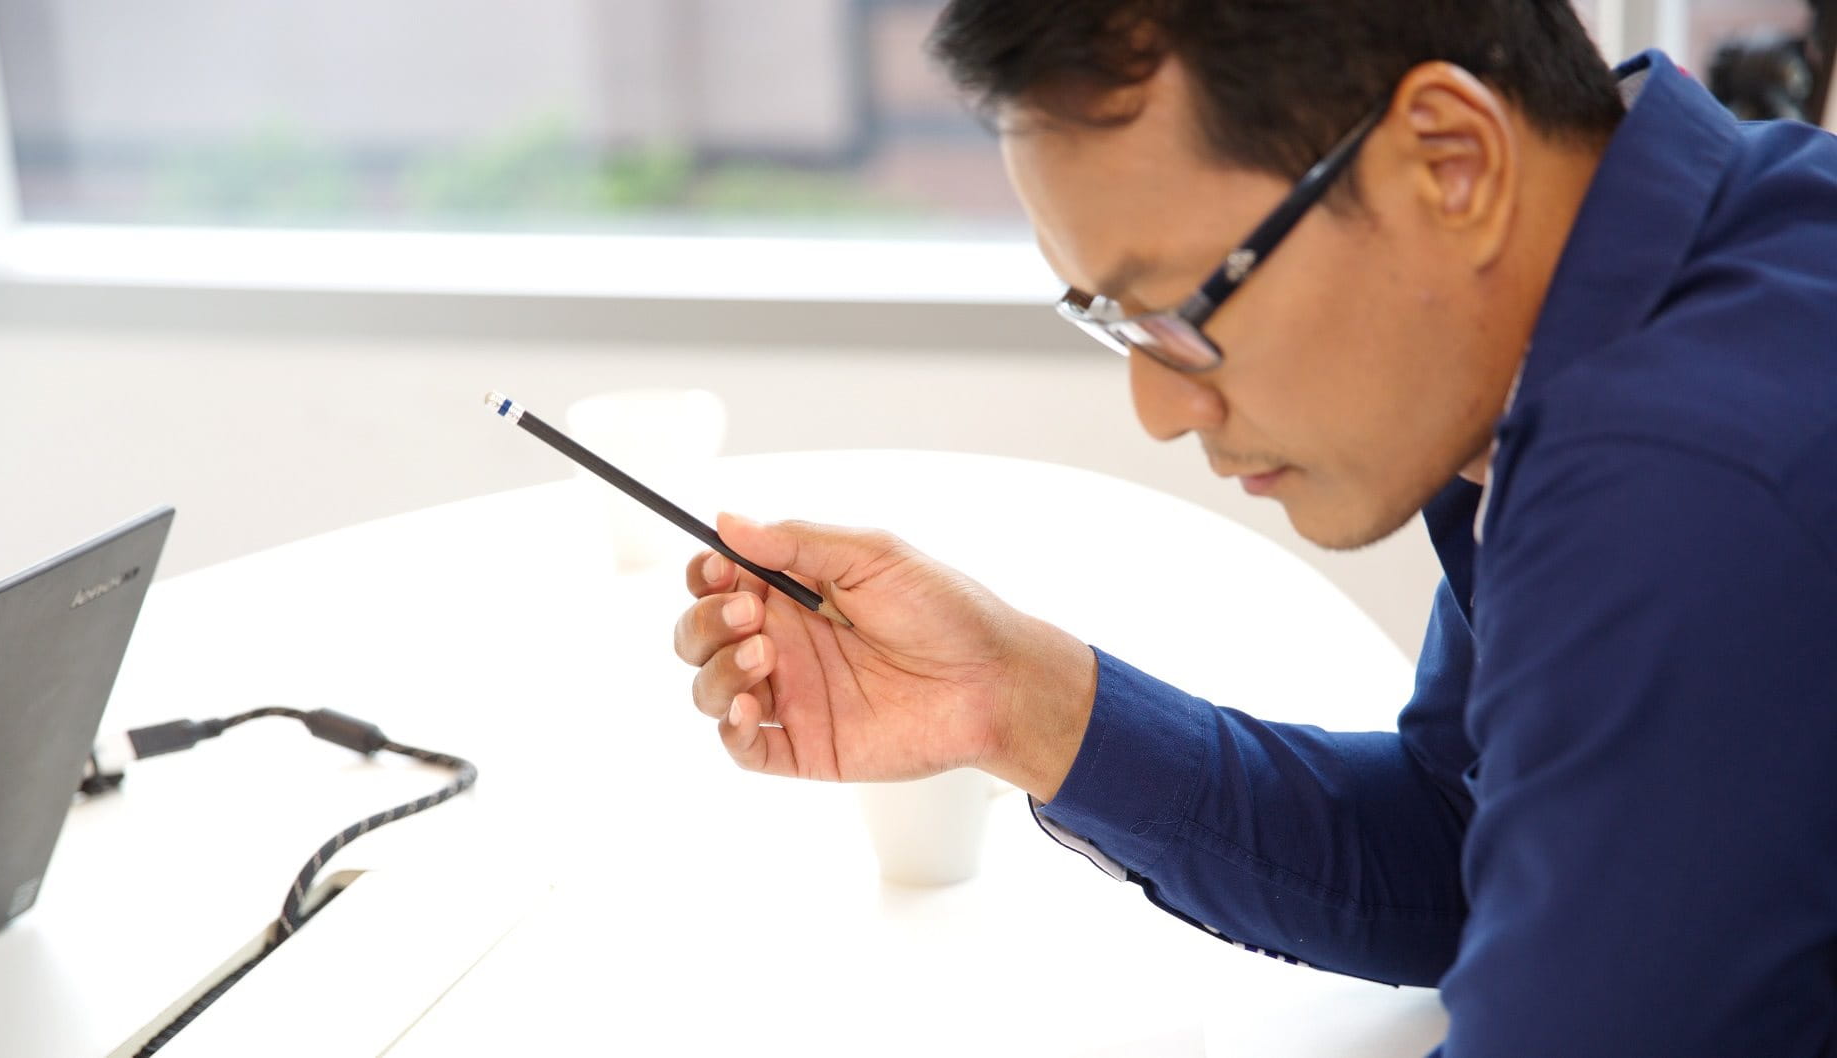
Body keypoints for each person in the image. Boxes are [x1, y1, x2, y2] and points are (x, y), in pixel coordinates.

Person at [671, 2, 1837, 1053]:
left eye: (1182, 308)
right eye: (1116, 322)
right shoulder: (1640, 292)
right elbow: (1467, 850)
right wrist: (1009, 696)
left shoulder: (1686, 490)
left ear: (1451, 163)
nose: (1157, 407)